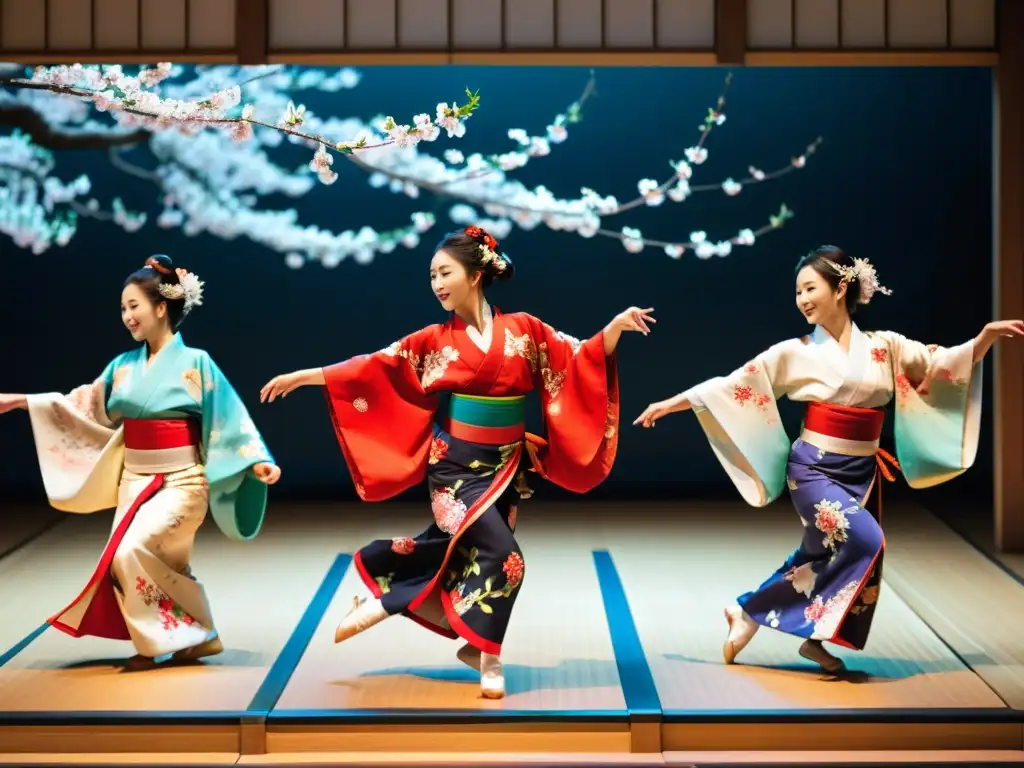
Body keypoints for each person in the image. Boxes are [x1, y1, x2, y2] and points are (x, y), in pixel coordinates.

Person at [261, 225, 652, 698]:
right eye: (431, 276)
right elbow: (376, 366)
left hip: (507, 464)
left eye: (445, 272)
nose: (437, 284)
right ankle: (483, 652)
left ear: (475, 273)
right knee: (506, 558)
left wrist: (613, 329)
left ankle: (424, 617)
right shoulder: (432, 339)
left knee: (467, 552)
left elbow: (577, 357)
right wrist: (308, 377)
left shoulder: (525, 329)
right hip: (453, 465)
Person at [634, 245, 1022, 674]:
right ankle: (753, 611)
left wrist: (984, 337)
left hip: (861, 471)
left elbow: (938, 366)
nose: (801, 300)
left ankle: (790, 631)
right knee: (866, 541)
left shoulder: (885, 346)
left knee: (822, 556)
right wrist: (673, 403)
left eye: (809, 288)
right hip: (813, 467)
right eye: (798, 291)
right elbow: (733, 386)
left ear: (840, 288)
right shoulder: (794, 351)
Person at [0, 255, 281, 671]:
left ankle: (154, 645)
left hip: (183, 480)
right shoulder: (123, 367)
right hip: (135, 480)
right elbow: (84, 404)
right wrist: (21, 401)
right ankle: (200, 636)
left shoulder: (196, 363)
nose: (127, 315)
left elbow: (228, 416)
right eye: (123, 308)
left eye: (134, 305)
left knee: (130, 551)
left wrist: (255, 461)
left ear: (161, 307)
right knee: (163, 562)